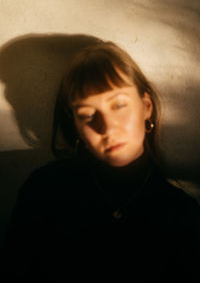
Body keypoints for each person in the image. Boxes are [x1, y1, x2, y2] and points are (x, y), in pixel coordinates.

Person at [2, 40, 200, 281]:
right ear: (75, 125)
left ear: (146, 106)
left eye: (118, 105)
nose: (107, 127)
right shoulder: (43, 192)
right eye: (87, 115)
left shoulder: (183, 216)